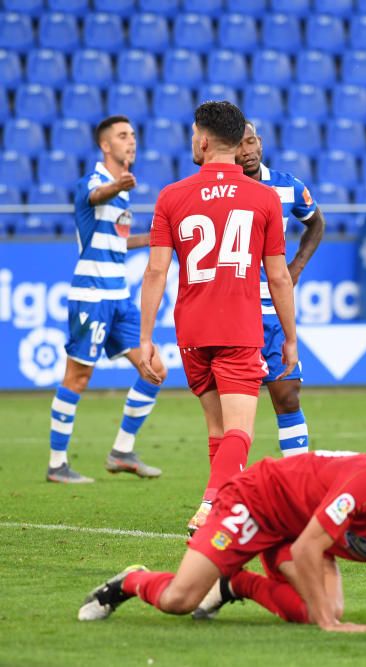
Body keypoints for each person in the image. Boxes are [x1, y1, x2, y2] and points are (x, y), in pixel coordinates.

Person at [78, 439, 366, 631]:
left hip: (301, 530)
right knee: (178, 600)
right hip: (258, 501)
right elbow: (312, 546)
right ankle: (130, 581)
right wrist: (330, 625)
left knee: (316, 610)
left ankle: (234, 584)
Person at [136, 101, 298, 534]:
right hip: (239, 328)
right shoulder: (263, 197)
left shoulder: (171, 196)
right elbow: (279, 277)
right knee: (240, 431)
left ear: (204, 140)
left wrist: (146, 337)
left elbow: (156, 270)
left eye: (193, 134)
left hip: (192, 330)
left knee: (218, 428)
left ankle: (225, 506)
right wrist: (291, 337)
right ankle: (211, 505)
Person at [46, 114, 164, 484]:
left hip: (119, 298)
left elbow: (114, 240)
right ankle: (56, 464)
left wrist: (150, 239)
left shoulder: (122, 190)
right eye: (123, 136)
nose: (131, 141)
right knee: (78, 377)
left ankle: (122, 451)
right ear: (105, 145)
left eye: (133, 135)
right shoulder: (95, 183)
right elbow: (95, 196)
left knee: (155, 369)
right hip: (92, 296)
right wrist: (118, 186)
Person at [235, 121, 326, 458]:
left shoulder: (288, 187)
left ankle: (296, 480)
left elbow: (316, 222)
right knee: (236, 410)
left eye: (250, 142)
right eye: (239, 146)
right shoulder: (226, 190)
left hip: (273, 309)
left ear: (259, 140)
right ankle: (230, 487)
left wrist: (296, 267)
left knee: (287, 395)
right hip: (235, 310)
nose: (246, 152)